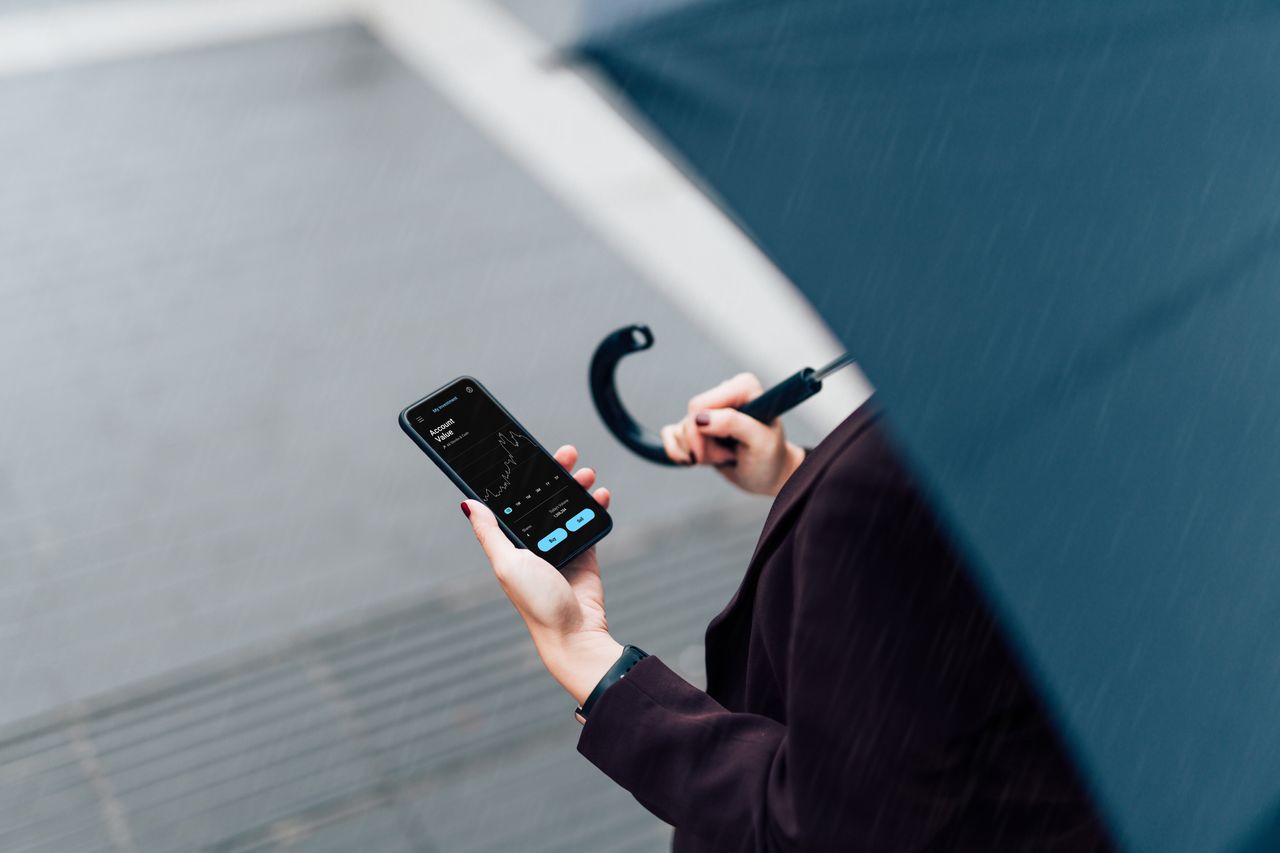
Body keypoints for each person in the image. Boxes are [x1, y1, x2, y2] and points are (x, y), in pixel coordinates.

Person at [460, 373, 1113, 852]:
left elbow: (820, 832)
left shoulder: (900, 471)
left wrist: (588, 655)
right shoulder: (1110, 388)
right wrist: (798, 472)